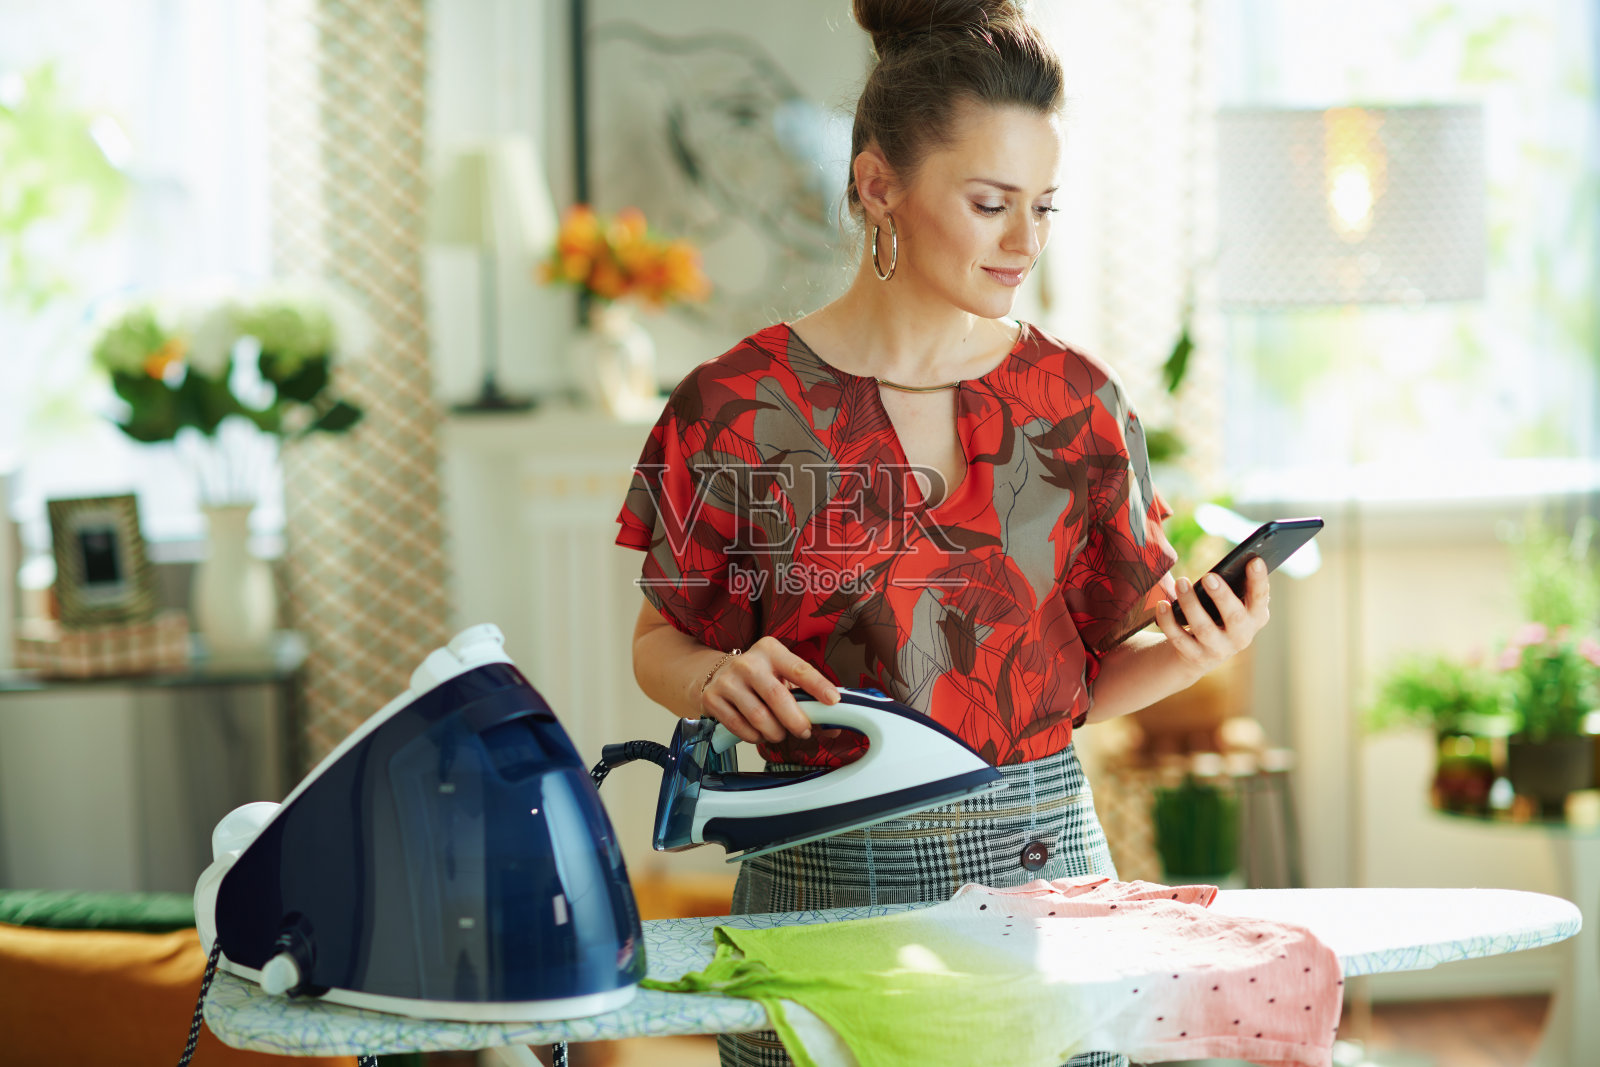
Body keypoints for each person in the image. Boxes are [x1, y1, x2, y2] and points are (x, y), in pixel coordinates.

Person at [613, 2, 1271, 1064]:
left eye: (1043, 207)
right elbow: (661, 642)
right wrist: (713, 678)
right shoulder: (733, 406)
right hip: (818, 905)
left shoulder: (1076, 403)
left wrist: (1197, 650)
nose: (1025, 243)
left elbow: (1065, 697)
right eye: (989, 204)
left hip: (1046, 898)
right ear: (879, 185)